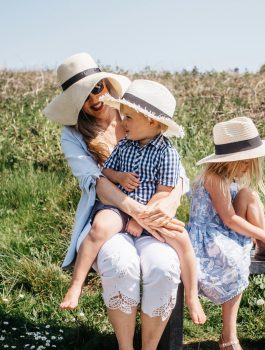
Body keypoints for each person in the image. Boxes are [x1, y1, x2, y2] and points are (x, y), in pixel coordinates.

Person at [43, 52, 188, 350]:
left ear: (107, 85)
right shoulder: (73, 135)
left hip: (151, 210)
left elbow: (177, 175)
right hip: (111, 212)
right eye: (83, 96)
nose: (94, 98)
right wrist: (135, 212)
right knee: (121, 265)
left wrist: (162, 207)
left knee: (163, 266)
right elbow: (96, 182)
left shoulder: (135, 112)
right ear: (75, 104)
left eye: (97, 88)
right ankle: (124, 346)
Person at [187, 117, 265, 350]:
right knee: (234, 260)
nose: (248, 165)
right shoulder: (213, 178)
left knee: (249, 194)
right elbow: (229, 218)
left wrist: (260, 236)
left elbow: (234, 216)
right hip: (207, 237)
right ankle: (228, 336)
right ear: (230, 160)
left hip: (225, 231)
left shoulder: (231, 179)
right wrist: (263, 234)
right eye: (245, 161)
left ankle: (264, 249)